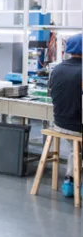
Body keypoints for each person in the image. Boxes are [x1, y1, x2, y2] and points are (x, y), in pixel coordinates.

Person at [48, 33, 82, 198]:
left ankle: (70, 180)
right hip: (77, 126)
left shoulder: (57, 69)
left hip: (59, 123)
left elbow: (51, 92)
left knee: (75, 148)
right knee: (78, 145)